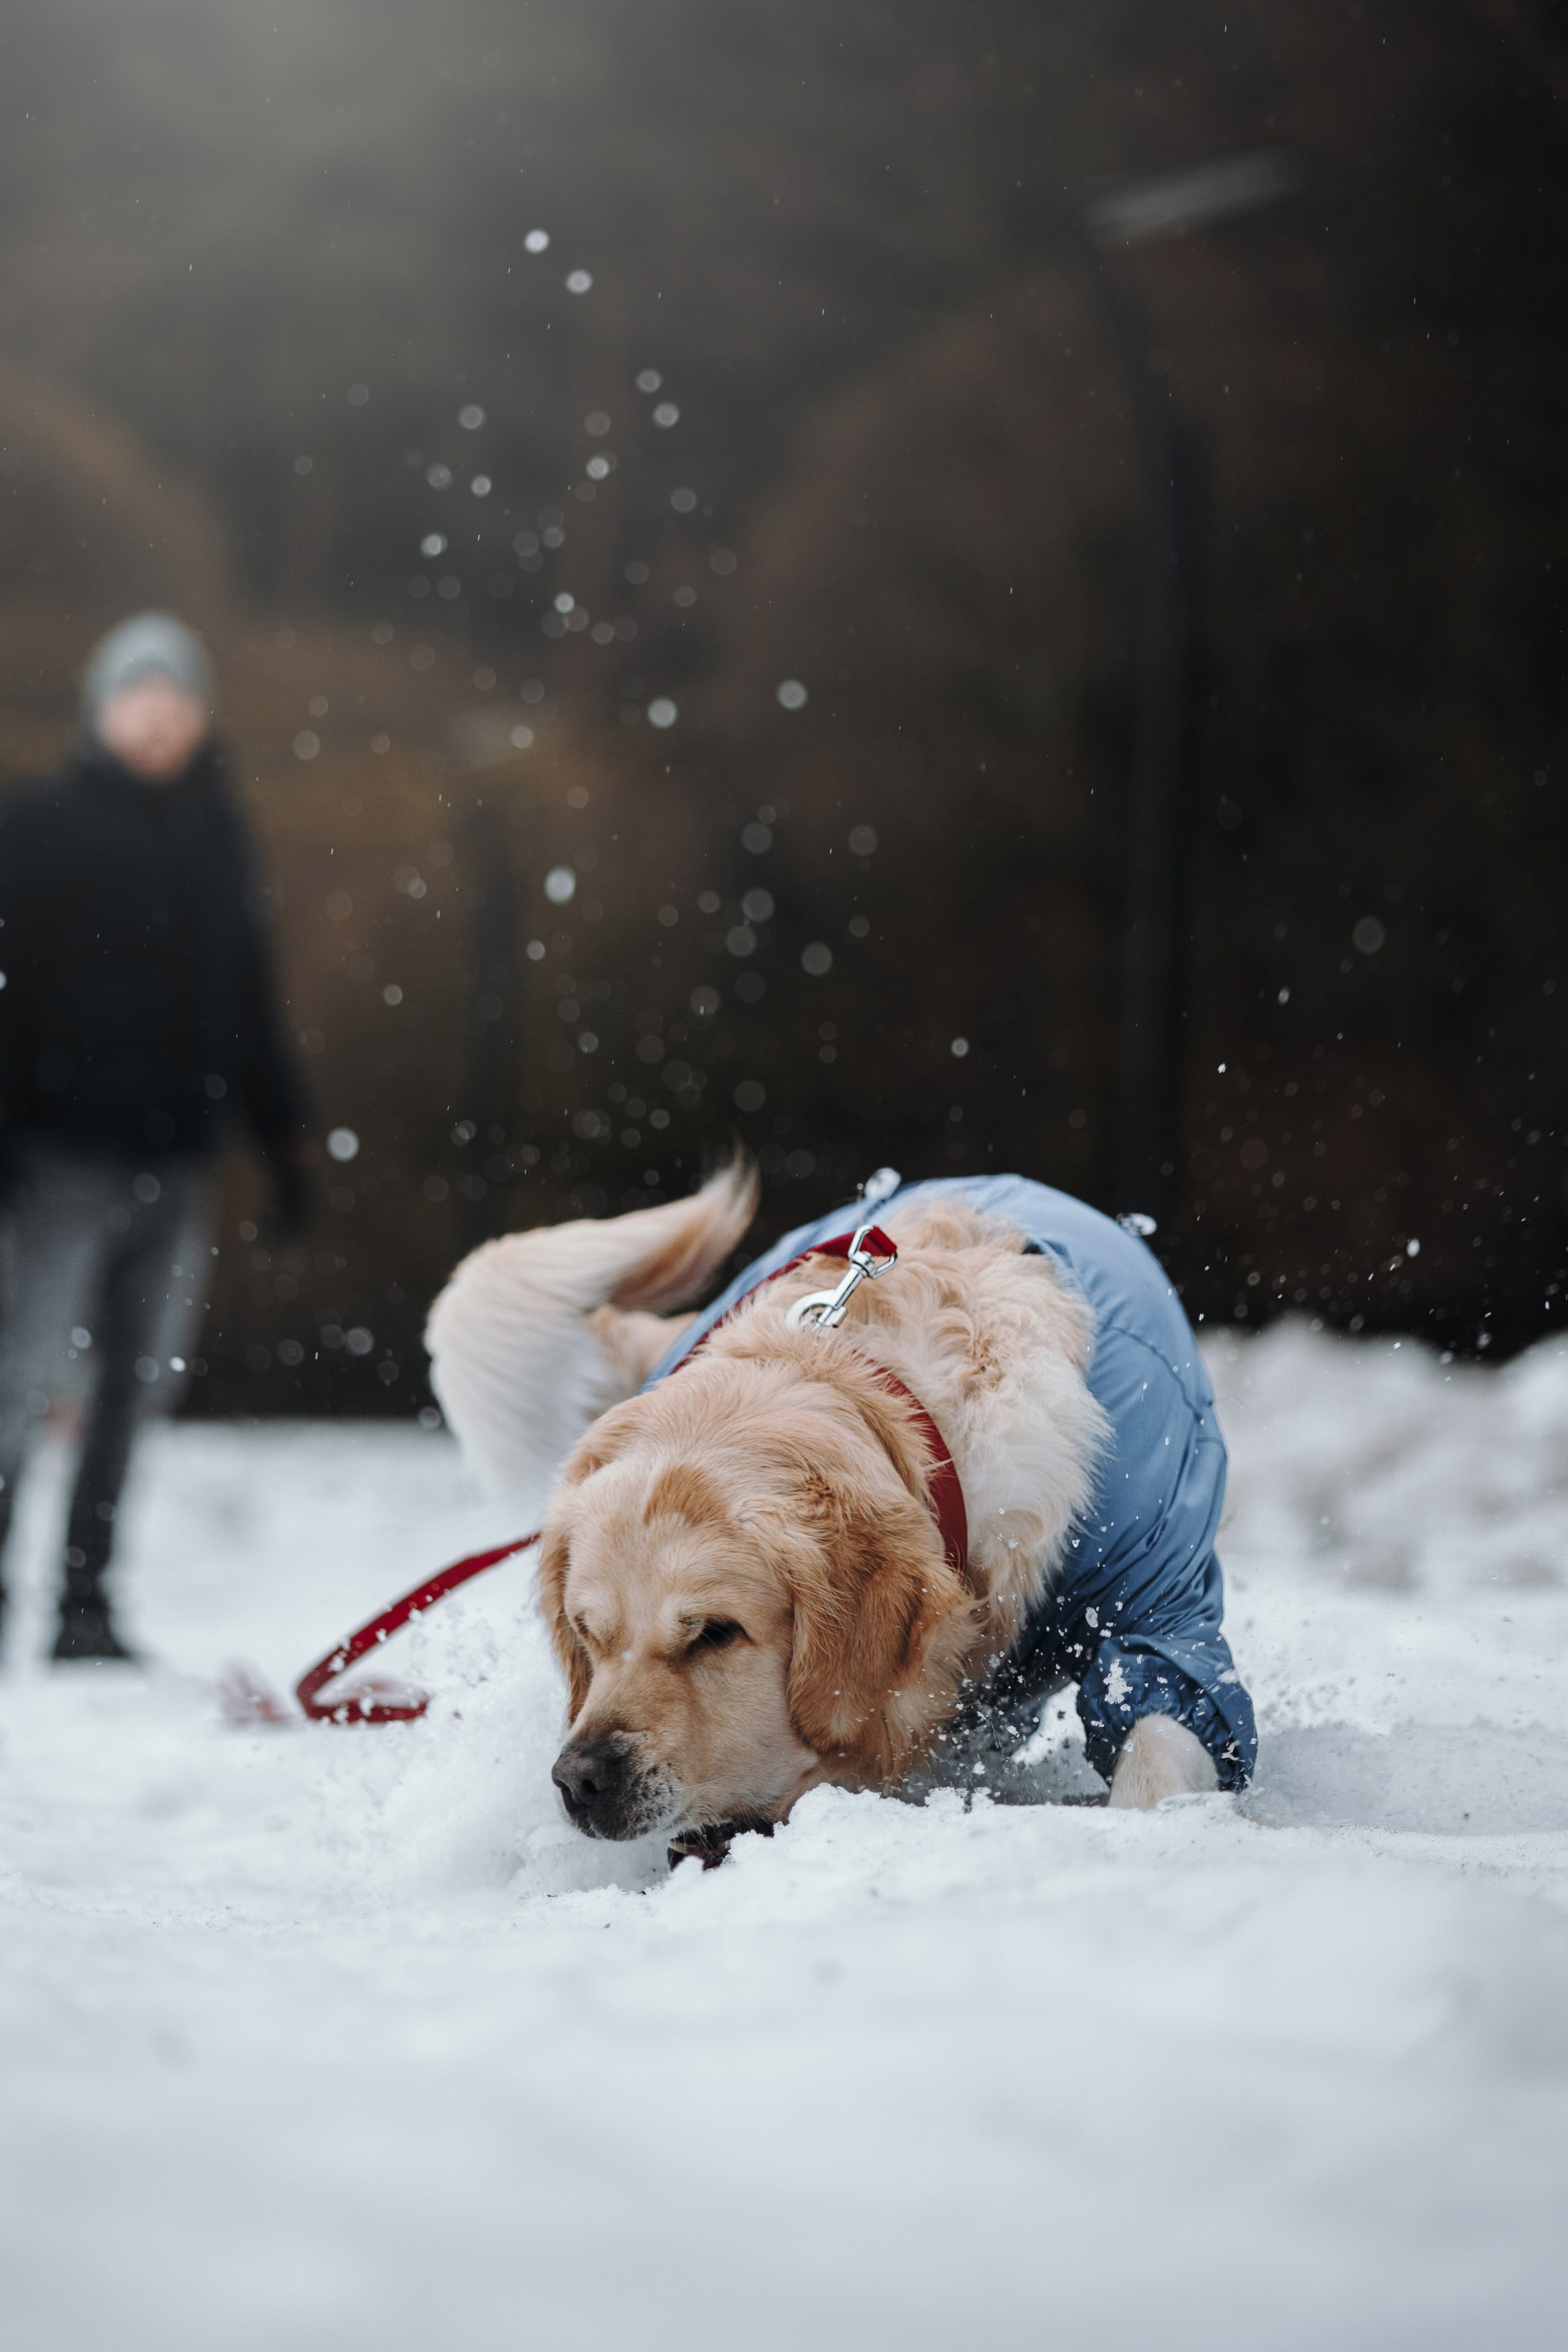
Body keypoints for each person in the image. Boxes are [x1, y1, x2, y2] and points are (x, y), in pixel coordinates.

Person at [0, 613, 314, 1662]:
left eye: (177, 698)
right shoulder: (38, 827)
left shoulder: (218, 834)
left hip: (179, 1161)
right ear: (101, 707)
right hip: (59, 1159)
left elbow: (246, 999)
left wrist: (285, 1142)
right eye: (140, 695)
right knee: (26, 1375)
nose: (159, 717)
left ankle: (84, 1604)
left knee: (138, 1388)